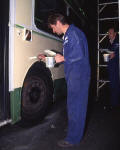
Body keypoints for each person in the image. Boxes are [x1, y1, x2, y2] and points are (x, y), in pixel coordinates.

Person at [38, 13, 91, 147]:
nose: (53, 31)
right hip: (75, 76)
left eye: (53, 28)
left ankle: (73, 138)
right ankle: (75, 132)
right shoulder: (68, 35)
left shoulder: (73, 33)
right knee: (74, 106)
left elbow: (79, 55)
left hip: (79, 77)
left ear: (58, 23)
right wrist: (47, 58)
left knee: (76, 107)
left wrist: (63, 58)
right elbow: (69, 57)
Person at [107, 27, 119, 108]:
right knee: (112, 86)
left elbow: (116, 53)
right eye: (108, 33)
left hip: (116, 68)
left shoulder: (117, 42)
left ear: (115, 34)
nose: (109, 35)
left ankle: (115, 104)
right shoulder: (110, 43)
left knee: (116, 85)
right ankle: (113, 102)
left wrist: (115, 55)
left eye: (110, 33)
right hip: (111, 67)